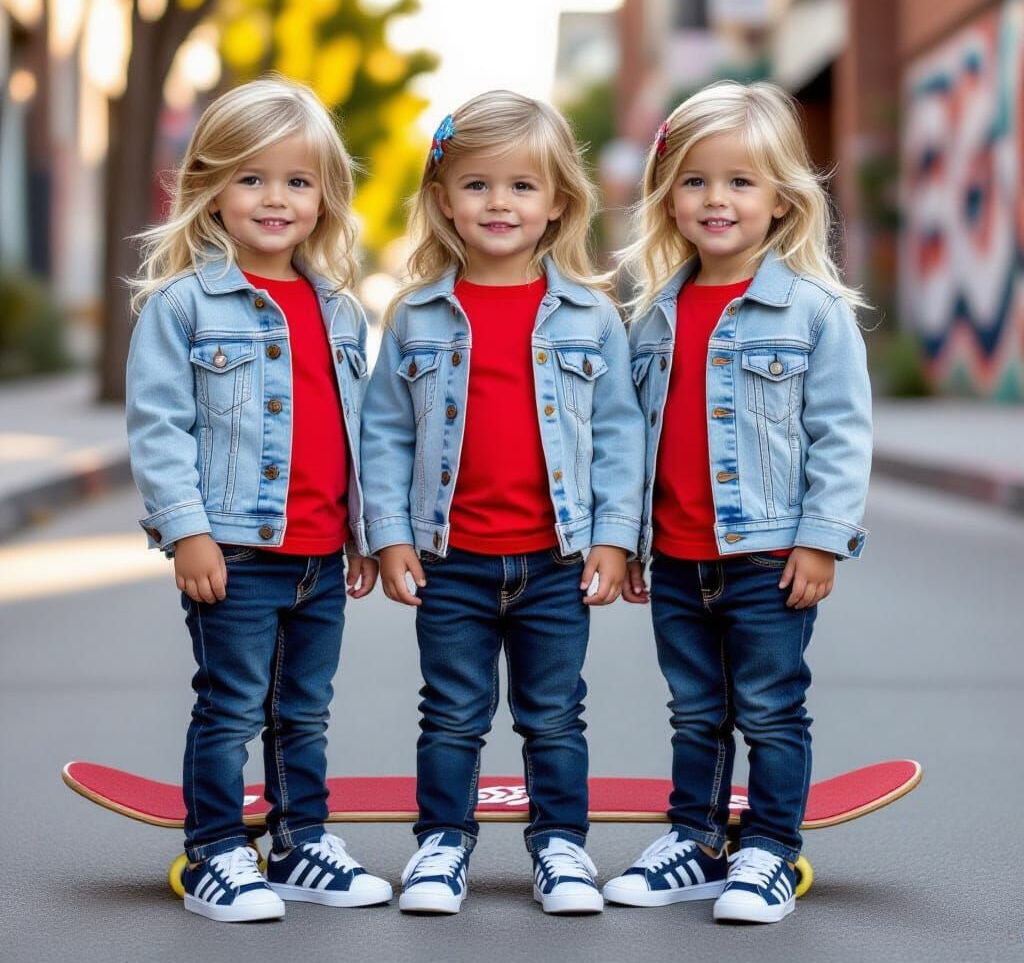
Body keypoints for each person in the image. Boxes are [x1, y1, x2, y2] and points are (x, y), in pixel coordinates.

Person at [360, 90, 644, 915]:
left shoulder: (593, 315)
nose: (500, 203)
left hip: (556, 560)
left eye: (523, 186)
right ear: (443, 198)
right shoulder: (415, 316)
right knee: (450, 713)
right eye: (478, 184)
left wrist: (616, 537)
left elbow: (622, 433)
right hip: (451, 560)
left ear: (558, 201)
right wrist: (388, 537)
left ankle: (560, 847)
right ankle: (441, 846)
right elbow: (385, 433)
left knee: (554, 714)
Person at [603, 80, 872, 924]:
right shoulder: (654, 316)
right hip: (681, 556)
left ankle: (769, 850)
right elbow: (633, 439)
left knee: (768, 705)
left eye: (741, 182)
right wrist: (633, 541)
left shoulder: (813, 312)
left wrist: (822, 539)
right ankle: (695, 841)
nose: (716, 199)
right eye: (695, 180)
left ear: (783, 199)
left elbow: (842, 433)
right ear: (667, 196)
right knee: (695, 709)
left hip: (768, 553)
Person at [125, 77, 391, 922]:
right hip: (234, 549)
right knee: (232, 705)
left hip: (318, 550)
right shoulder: (183, 307)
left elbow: (356, 432)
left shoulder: (340, 310)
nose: (275, 198)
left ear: (325, 198)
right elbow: (160, 426)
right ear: (208, 187)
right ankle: (213, 851)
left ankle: (300, 842)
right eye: (251, 177)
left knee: (304, 711)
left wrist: (363, 533)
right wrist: (186, 532)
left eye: (298, 181)